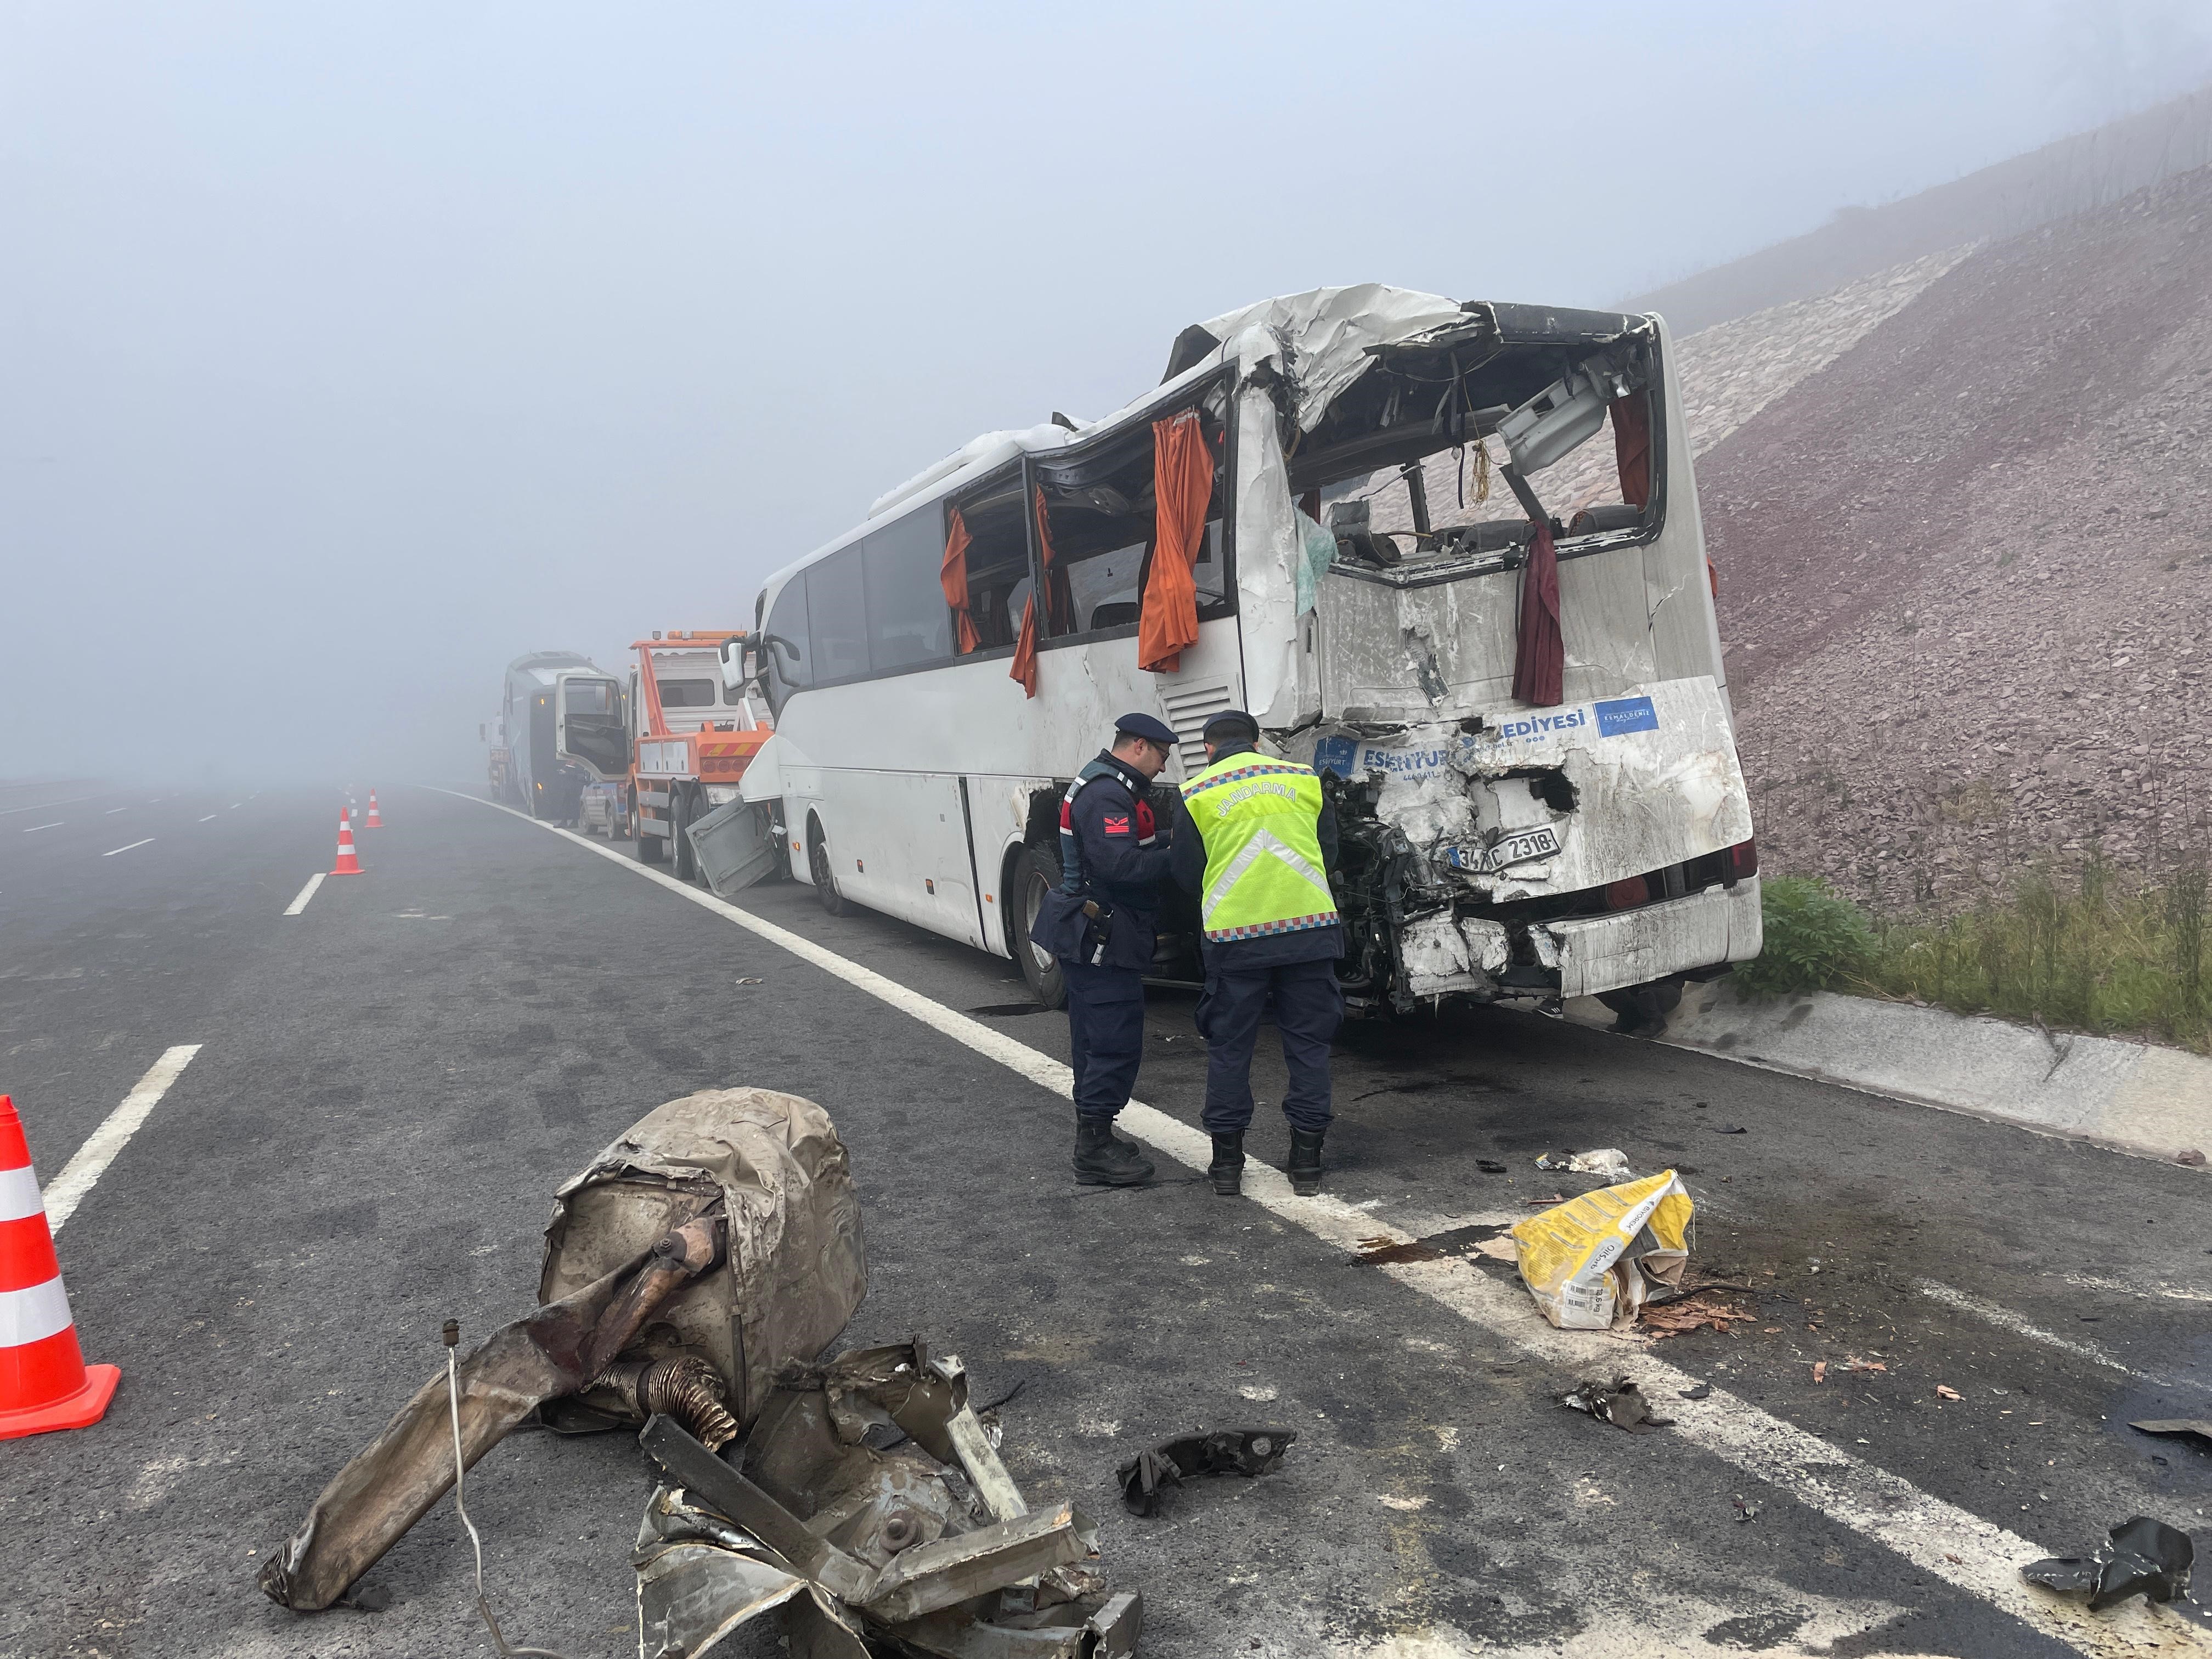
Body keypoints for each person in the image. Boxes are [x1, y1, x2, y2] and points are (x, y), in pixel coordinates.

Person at [1171, 709, 1342, 1197]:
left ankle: (1227, 1167)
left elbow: (1185, 872)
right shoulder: (1303, 779)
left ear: (1209, 748)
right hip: (1309, 933)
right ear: (1258, 743)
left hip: (1234, 941)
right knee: (1309, 1048)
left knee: (1230, 1050)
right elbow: (1328, 852)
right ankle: (1306, 1165)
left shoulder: (1198, 792)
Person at [1029, 713, 1180, 1186]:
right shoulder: (1107, 794)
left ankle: (1095, 1135)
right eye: (1160, 755)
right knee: (1111, 1041)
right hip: (1101, 937)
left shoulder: (1109, 785)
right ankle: (1093, 1148)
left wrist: (1176, 839)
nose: (1162, 767)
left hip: (1097, 933)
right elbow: (1119, 866)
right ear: (1138, 746)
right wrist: (1183, 857)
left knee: (1095, 1039)